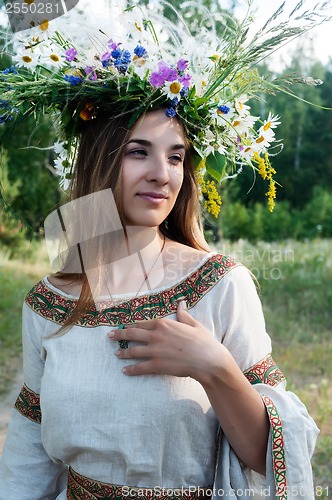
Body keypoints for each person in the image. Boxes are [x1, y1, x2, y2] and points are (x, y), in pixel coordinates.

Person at [0, 1, 323, 498]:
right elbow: (28, 454)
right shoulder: (50, 301)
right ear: (98, 161)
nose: (162, 173)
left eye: (176, 156)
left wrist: (212, 365)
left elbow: (271, 459)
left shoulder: (218, 285)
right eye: (138, 152)